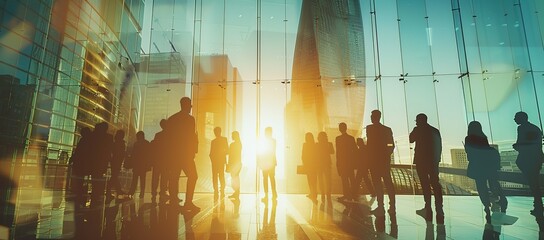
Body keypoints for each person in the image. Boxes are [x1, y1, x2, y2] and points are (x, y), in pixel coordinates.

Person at [464, 121, 507, 223]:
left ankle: (486, 205)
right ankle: (502, 199)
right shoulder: (484, 137)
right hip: (488, 165)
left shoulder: (469, 138)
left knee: (481, 186)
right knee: (493, 183)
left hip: (478, 166)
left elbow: (470, 152)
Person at [409, 113, 444, 223]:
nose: (416, 122)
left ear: (419, 120)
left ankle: (427, 207)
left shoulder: (417, 130)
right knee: (435, 183)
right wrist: (437, 159)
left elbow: (411, 139)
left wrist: (415, 129)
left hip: (421, 161)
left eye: (416, 121)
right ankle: (439, 207)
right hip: (432, 161)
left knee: (425, 184)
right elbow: (439, 145)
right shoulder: (434, 130)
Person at [167, 97, 199, 211]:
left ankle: (173, 201)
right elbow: (190, 137)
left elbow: (168, 138)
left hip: (174, 154)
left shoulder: (172, 119)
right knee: (193, 176)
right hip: (185, 154)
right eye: (190, 105)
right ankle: (188, 202)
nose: (191, 107)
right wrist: (193, 151)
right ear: (186, 105)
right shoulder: (190, 119)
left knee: (174, 177)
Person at [513, 111, 544, 216]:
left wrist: (516, 146)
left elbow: (522, 144)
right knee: (534, 182)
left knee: (533, 183)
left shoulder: (521, 128)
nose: (514, 119)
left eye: (516, 117)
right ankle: (538, 205)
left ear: (521, 118)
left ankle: (538, 205)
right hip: (537, 158)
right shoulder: (535, 128)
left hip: (528, 160)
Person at [366, 110, 396, 215]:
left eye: (372, 116)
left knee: (377, 183)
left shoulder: (369, 129)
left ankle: (380, 206)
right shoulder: (387, 130)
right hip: (383, 161)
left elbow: (370, 145)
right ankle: (392, 206)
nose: (371, 117)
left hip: (374, 161)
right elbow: (391, 144)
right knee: (388, 183)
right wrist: (386, 154)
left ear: (375, 117)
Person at [89, 122, 113, 206]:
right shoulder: (109, 137)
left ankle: (95, 192)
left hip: (94, 161)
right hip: (102, 162)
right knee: (99, 176)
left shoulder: (94, 136)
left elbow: (91, 148)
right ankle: (98, 192)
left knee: (95, 177)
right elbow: (109, 150)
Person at [70, 127, 92, 204]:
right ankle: (80, 194)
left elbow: (78, 152)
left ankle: (78, 194)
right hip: (83, 165)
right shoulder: (89, 141)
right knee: (81, 180)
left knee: (79, 180)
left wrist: (72, 159)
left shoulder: (83, 141)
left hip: (79, 165)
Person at [335, 122, 357, 201]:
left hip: (342, 162)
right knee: (352, 179)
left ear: (340, 129)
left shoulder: (338, 139)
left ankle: (346, 195)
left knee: (344, 180)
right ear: (346, 128)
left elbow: (338, 152)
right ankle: (354, 195)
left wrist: (338, 163)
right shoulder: (351, 138)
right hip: (350, 162)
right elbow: (355, 150)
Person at [151, 119, 170, 202]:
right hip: (165, 160)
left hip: (157, 160)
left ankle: (154, 192)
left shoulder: (157, 135)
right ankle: (163, 192)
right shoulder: (170, 135)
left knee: (155, 177)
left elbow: (154, 147)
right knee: (164, 177)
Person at [258, 127, 277, 202]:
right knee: (271, 178)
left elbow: (261, 153)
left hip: (265, 162)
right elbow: (273, 152)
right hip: (270, 161)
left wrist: (259, 161)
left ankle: (267, 195)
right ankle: (273, 193)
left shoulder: (263, 141)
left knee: (265, 178)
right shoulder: (273, 141)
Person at [129, 131, 150, 198]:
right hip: (143, 165)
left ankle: (131, 192)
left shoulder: (136, 144)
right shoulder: (146, 143)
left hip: (136, 164)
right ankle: (142, 192)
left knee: (134, 179)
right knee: (142, 179)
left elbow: (133, 154)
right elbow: (148, 155)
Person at [106, 130, 126, 200]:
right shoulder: (121, 143)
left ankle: (117, 190)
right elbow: (121, 153)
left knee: (114, 176)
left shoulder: (115, 143)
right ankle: (112, 190)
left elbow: (113, 151)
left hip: (114, 161)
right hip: (117, 162)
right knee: (114, 176)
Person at [210, 127, 228, 197]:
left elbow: (211, 153)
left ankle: (216, 189)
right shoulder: (224, 140)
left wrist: (212, 159)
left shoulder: (213, 141)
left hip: (216, 161)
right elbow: (227, 150)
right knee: (221, 175)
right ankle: (221, 189)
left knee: (216, 175)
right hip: (220, 160)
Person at [316, 131, 334, 202]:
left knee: (321, 180)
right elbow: (332, 152)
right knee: (328, 180)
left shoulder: (317, 144)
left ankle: (323, 193)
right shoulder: (329, 144)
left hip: (320, 164)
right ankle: (327, 194)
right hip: (326, 164)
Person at [302, 132, 318, 202]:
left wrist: (304, 163)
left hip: (308, 164)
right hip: (314, 165)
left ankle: (312, 193)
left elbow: (303, 155)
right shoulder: (315, 145)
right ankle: (315, 193)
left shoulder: (305, 145)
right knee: (314, 179)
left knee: (309, 179)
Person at [228, 131, 242, 200]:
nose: (231, 136)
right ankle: (236, 192)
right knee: (236, 178)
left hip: (234, 164)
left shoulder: (232, 145)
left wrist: (229, 164)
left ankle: (236, 192)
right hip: (238, 163)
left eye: (232, 135)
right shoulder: (239, 144)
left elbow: (230, 155)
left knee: (234, 178)